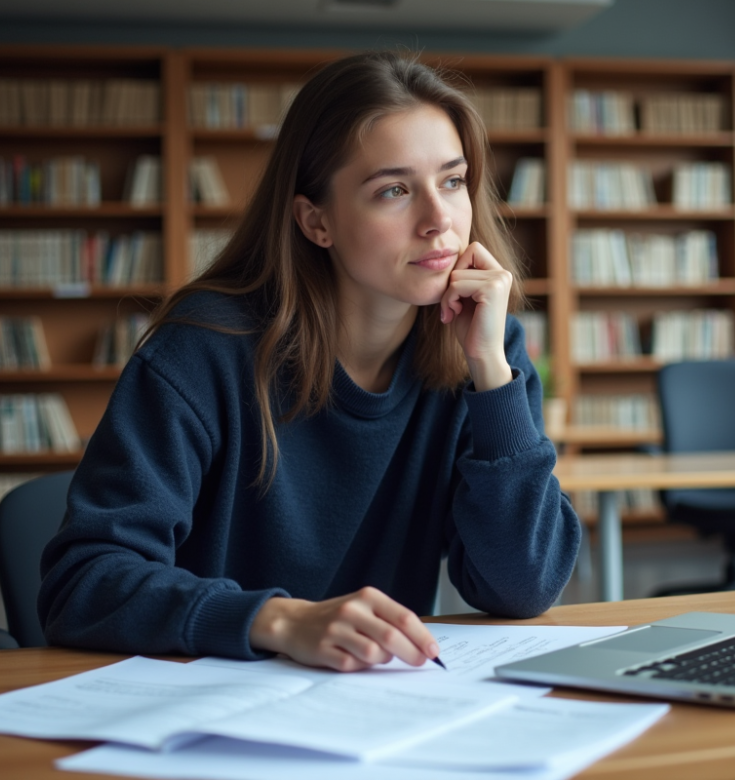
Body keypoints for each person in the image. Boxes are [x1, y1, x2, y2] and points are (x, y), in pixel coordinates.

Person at [37, 51, 581, 672]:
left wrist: (491, 372)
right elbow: (81, 583)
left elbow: (524, 587)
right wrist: (277, 620)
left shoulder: (486, 351)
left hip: (370, 706)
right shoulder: (202, 350)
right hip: (205, 701)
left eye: (453, 181)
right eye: (395, 191)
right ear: (316, 221)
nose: (440, 221)